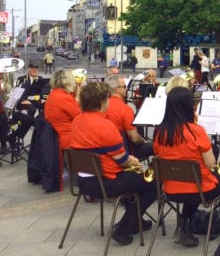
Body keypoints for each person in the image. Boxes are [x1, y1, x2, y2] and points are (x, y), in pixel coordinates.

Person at [71, 82, 157, 245]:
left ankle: (135, 220)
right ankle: (124, 227)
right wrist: (133, 161)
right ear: (103, 102)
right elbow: (123, 160)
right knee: (153, 183)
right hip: (105, 182)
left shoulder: (76, 121)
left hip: (84, 181)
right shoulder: (106, 126)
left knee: (136, 181)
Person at [153, 87, 220, 247]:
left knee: (192, 180)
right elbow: (211, 164)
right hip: (200, 191)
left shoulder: (159, 132)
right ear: (189, 106)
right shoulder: (196, 131)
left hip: (171, 190)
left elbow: (159, 155)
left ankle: (185, 227)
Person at [44, 69, 82, 188]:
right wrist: (78, 96)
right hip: (67, 136)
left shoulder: (54, 94)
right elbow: (79, 116)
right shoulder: (64, 97)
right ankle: (81, 175)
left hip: (57, 133)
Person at [106, 77, 153, 159]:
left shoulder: (103, 105)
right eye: (124, 87)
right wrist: (143, 141)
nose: (126, 89)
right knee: (155, 146)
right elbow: (134, 139)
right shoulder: (125, 109)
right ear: (116, 89)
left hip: (108, 149)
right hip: (124, 151)